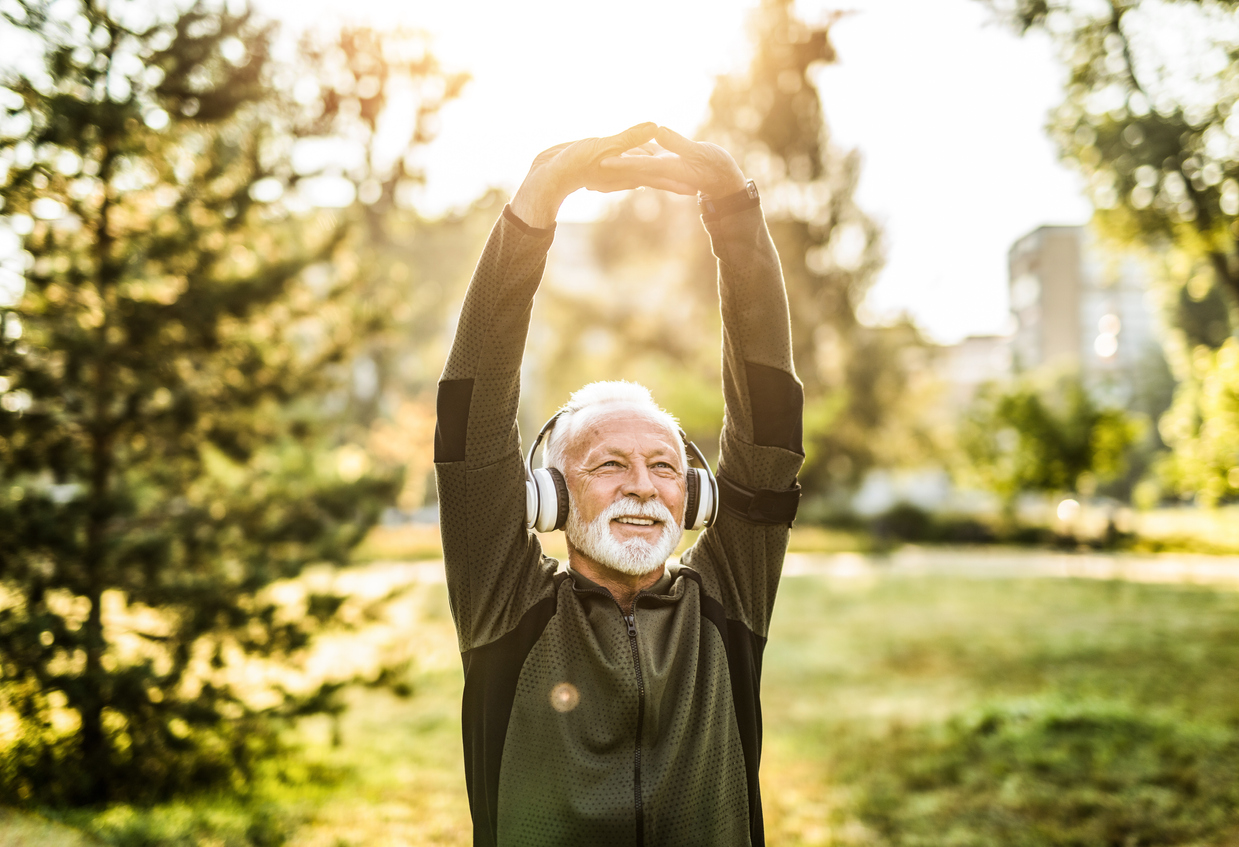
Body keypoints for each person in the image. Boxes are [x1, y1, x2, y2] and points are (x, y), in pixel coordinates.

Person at [434, 122, 804, 847]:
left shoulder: (727, 600)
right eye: (608, 463)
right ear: (550, 495)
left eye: (665, 466)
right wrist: (533, 209)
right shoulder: (505, 604)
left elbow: (769, 416)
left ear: (693, 497)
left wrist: (734, 213)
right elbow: (471, 411)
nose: (643, 486)